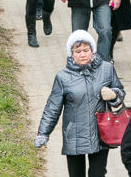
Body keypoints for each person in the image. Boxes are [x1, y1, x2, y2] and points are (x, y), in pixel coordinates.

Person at [34, 30, 124, 177]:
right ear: (71, 53)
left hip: (100, 133)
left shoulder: (106, 69)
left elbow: (120, 92)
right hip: (74, 134)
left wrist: (114, 95)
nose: (82, 54)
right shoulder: (63, 77)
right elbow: (52, 108)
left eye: (86, 50)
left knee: (98, 173)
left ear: (92, 50)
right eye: (78, 51)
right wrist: (43, 133)